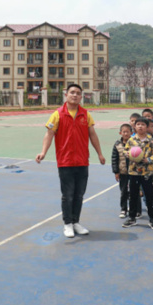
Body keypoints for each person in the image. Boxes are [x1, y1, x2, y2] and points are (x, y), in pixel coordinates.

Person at [35, 83, 106, 238]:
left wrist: (99, 153)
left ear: (81, 97)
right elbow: (49, 134)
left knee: (79, 194)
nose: (75, 95)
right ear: (66, 95)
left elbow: (92, 134)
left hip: (82, 161)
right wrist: (43, 152)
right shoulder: (57, 114)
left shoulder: (85, 114)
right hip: (65, 161)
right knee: (68, 195)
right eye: (72, 92)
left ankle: (76, 222)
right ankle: (67, 224)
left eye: (78, 93)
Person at [122, 117, 153, 230]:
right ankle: (132, 218)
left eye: (143, 124)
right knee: (133, 196)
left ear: (147, 127)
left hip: (147, 173)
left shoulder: (151, 140)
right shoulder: (131, 140)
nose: (140, 126)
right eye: (138, 124)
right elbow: (125, 151)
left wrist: (148, 160)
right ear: (134, 127)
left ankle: (152, 219)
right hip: (134, 172)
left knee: (149, 197)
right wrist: (131, 155)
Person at [111, 122, 134, 219]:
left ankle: (135, 210)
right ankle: (123, 209)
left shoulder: (135, 143)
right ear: (120, 133)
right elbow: (114, 159)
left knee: (134, 192)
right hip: (123, 172)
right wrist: (116, 172)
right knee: (124, 191)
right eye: (124, 132)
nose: (125, 134)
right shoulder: (117, 145)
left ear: (131, 133)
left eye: (127, 132)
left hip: (134, 172)